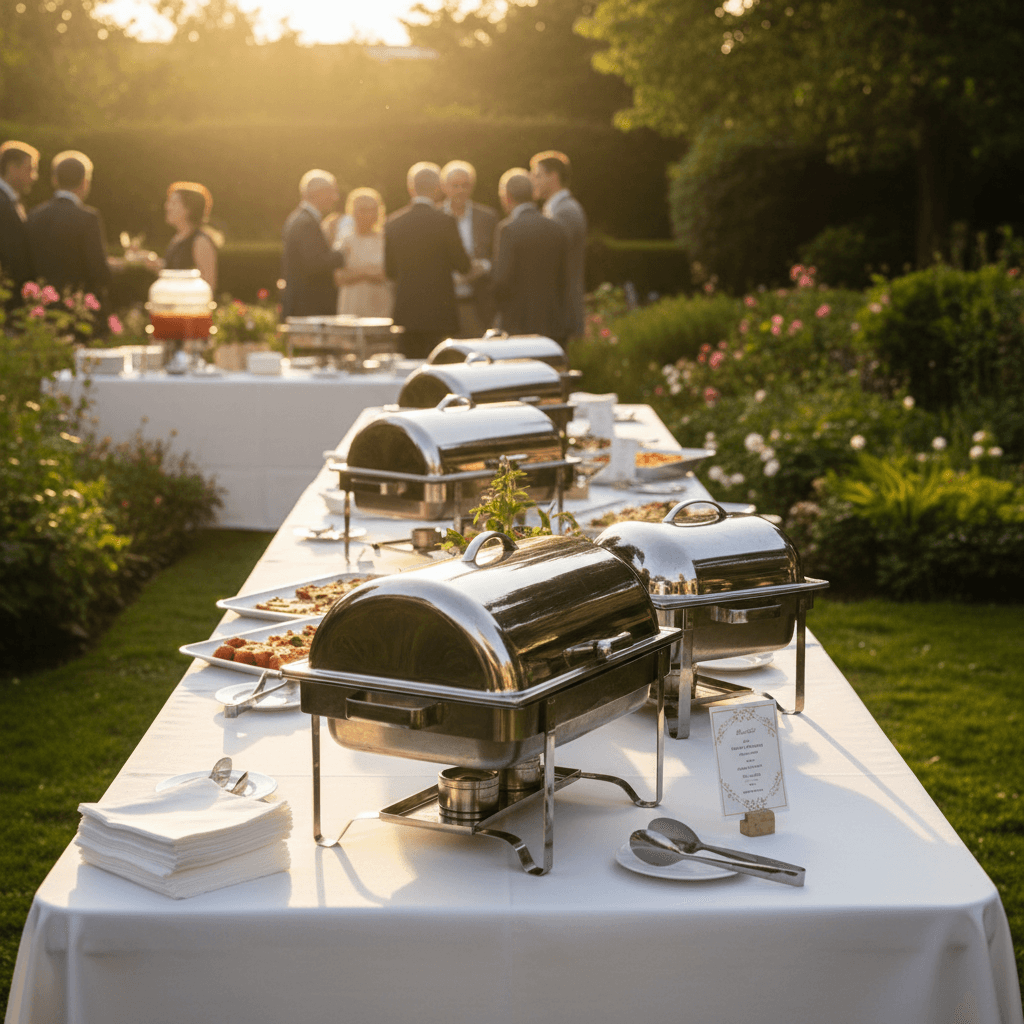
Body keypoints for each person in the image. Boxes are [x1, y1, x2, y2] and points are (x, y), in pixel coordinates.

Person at [384, 162, 471, 358]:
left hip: (407, 312)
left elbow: (389, 271)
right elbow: (463, 266)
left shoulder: (393, 223)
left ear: (410, 187)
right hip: (440, 313)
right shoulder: (446, 222)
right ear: (438, 187)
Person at [492, 168, 568, 341]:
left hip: (518, 322)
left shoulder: (508, 229)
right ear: (533, 194)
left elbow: (501, 280)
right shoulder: (557, 228)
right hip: (553, 321)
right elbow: (564, 278)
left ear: (507, 196)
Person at [26, 150, 112, 301]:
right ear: (85, 182)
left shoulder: (34, 215)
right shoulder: (88, 218)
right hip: (76, 306)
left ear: (55, 180)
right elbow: (99, 271)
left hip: (38, 306)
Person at [530, 150, 587, 341]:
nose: (533, 181)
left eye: (537, 176)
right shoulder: (555, 210)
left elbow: (550, 261)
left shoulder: (566, 212)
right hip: (555, 312)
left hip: (561, 312)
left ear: (553, 177)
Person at [440, 159, 498, 337]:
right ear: (444, 187)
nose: (460, 190)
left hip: (478, 304)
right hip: (444, 304)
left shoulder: (487, 217)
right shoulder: (435, 218)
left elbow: (498, 256)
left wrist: (483, 267)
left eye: (465, 185)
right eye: (455, 185)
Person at [280, 169, 346, 319]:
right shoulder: (306, 222)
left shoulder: (301, 219)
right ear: (318, 193)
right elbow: (315, 262)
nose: (335, 198)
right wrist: (342, 254)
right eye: (331, 192)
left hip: (304, 304)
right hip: (308, 306)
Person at [333, 187, 391, 318]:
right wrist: (368, 272)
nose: (368, 214)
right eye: (363, 210)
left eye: (372, 210)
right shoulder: (344, 241)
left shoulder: (386, 240)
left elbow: (387, 274)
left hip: (380, 308)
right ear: (353, 211)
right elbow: (339, 277)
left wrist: (355, 273)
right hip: (351, 307)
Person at [162, 181, 220, 291]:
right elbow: (176, 272)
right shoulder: (177, 237)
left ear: (188, 209)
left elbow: (208, 285)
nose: (167, 206)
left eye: (173, 203)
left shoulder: (201, 241)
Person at [0, 141, 39, 302]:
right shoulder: (2, 202)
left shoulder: (11, 201)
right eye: (30, 169)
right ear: (11, 167)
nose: (34, 177)